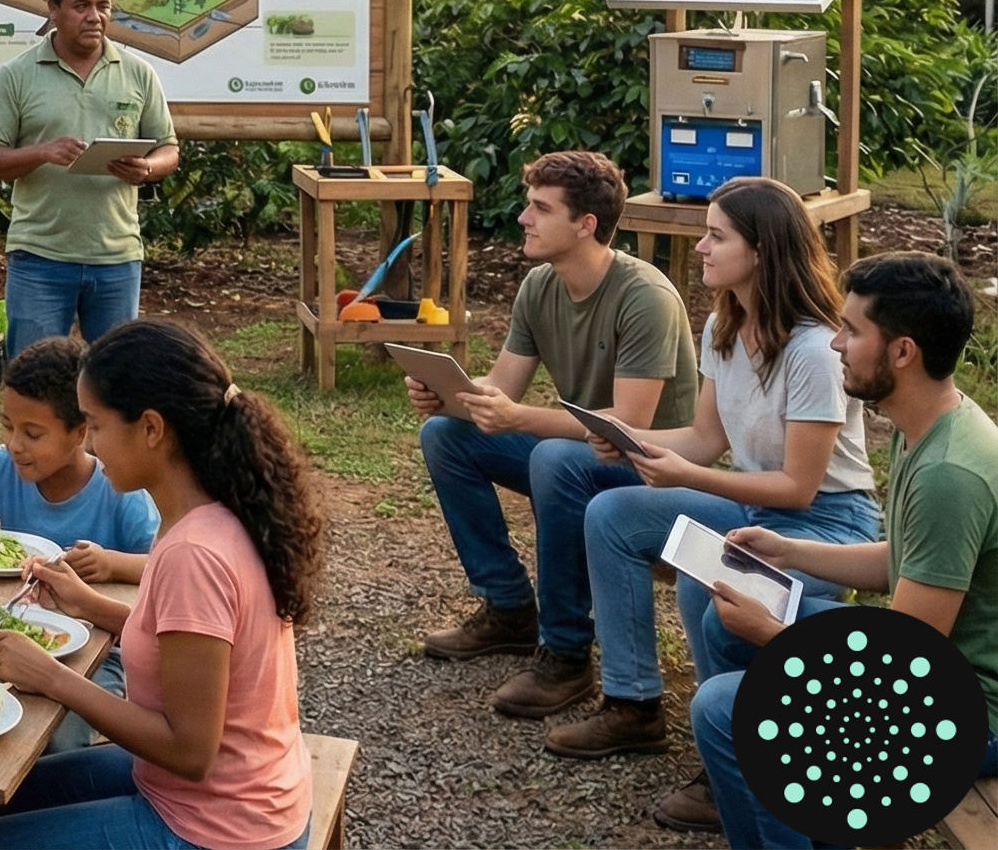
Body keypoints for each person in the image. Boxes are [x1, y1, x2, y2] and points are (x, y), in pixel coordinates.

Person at [0, 319, 319, 850]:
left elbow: (190, 750)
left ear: (152, 429)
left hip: (221, 829)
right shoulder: (207, 511)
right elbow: (195, 642)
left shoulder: (194, 554)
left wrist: (52, 676)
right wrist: (89, 604)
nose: (88, 442)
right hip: (221, 795)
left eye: (93, 424)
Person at [549, 176, 879, 766]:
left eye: (715, 236)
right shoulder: (723, 329)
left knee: (712, 583)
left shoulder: (813, 350)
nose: (700, 247)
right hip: (755, 511)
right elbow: (703, 441)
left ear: (761, 252)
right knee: (613, 514)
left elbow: (798, 488)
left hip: (828, 524)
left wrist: (684, 475)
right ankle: (633, 705)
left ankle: (741, 746)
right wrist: (628, 441)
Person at [689, 252, 998, 848]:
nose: (835, 345)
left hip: (970, 714)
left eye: (853, 331)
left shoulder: (949, 474)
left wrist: (773, 635)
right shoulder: (932, 424)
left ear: (902, 352)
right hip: (935, 670)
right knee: (728, 622)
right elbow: (900, 562)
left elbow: (908, 668)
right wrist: (790, 551)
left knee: (727, 708)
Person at [413, 150, 696, 724]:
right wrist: (448, 395)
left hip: (650, 471)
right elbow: (502, 386)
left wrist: (517, 418)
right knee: (445, 434)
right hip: (576, 454)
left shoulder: (645, 297)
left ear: (585, 225)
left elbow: (630, 424)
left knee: (554, 459)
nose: (524, 218)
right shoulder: (541, 286)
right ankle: (510, 609)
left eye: (541, 208)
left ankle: (566, 653)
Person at [0, 334, 159, 750]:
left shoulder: (117, 488)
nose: (14, 444)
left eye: (33, 433)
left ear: (81, 432)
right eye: (8, 426)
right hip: (4, 641)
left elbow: (161, 566)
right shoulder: (3, 466)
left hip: (93, 660)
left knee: (55, 742)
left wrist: (112, 563)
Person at [0, 0, 178, 361]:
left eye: (103, 6)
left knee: (115, 386)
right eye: (81, 6)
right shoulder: (16, 75)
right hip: (40, 258)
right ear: (53, 10)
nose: (95, 17)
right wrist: (42, 152)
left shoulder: (138, 73)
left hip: (116, 258)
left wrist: (147, 168)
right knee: (34, 381)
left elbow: (169, 149)